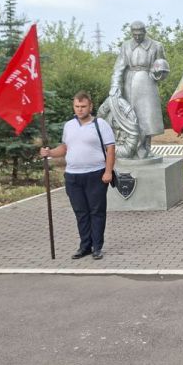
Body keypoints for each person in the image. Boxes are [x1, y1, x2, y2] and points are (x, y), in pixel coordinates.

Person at [40, 92, 115, 260]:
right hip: (73, 177)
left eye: (83, 107)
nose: (80, 110)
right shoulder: (69, 126)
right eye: (77, 107)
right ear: (73, 107)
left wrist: (108, 171)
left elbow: (110, 149)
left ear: (90, 107)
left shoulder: (100, 124)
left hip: (96, 174)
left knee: (96, 212)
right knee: (81, 212)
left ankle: (97, 246)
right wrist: (49, 152)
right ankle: (85, 246)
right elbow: (65, 148)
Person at [109, 21, 169, 158]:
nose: (137, 37)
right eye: (134, 34)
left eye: (139, 34)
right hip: (129, 83)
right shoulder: (125, 46)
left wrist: (159, 73)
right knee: (132, 116)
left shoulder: (156, 46)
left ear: (144, 32)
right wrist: (115, 86)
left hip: (147, 82)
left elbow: (163, 65)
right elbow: (118, 68)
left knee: (147, 117)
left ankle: (145, 148)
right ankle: (133, 149)